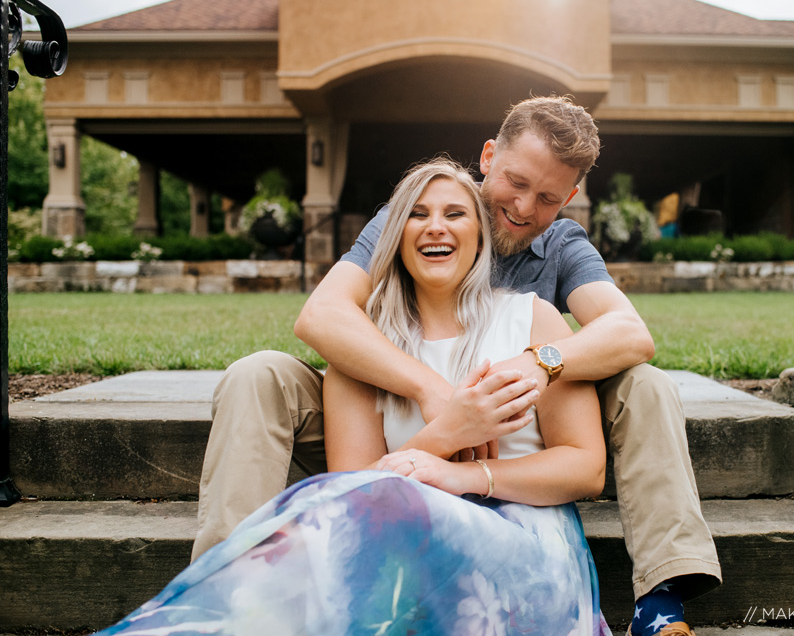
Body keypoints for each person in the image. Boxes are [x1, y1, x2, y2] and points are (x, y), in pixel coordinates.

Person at [195, 96, 721, 636]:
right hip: (391, 409)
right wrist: (432, 393)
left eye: (545, 197)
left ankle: (661, 600)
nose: (522, 206)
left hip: (523, 426)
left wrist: (541, 362)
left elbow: (629, 331)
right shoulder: (425, 211)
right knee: (257, 374)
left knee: (646, 385)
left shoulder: (560, 247)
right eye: (515, 182)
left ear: (570, 195)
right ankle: (225, 592)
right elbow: (323, 315)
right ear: (489, 155)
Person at [95, 159, 612, 635]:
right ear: (396, 235)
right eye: (416, 215)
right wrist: (449, 432)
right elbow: (353, 500)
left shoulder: (533, 319)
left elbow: (585, 467)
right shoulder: (364, 347)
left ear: (480, 235)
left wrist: (466, 476)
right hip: (401, 545)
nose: (436, 227)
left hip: (524, 536)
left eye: (455, 213)